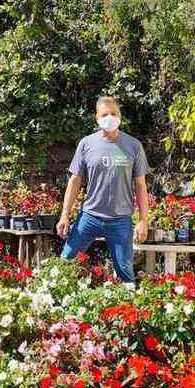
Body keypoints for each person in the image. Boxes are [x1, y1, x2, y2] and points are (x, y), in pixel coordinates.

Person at [56, 96, 150, 284]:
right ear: (97, 118)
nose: (110, 117)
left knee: (125, 274)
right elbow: (75, 181)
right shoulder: (86, 144)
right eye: (105, 114)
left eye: (113, 114)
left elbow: (140, 185)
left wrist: (143, 220)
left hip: (120, 220)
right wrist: (65, 215)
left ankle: (128, 309)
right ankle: (54, 304)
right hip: (89, 216)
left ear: (120, 116)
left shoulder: (133, 146)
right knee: (65, 263)